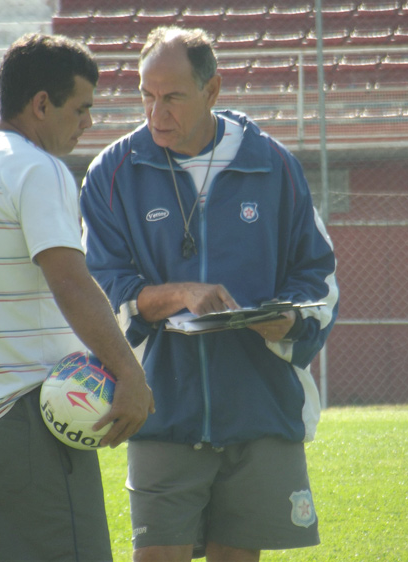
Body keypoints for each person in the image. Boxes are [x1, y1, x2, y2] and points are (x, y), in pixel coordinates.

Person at [80, 26, 339, 562]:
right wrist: (179, 295)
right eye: (147, 97)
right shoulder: (111, 173)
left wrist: (285, 321)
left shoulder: (275, 166)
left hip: (259, 411)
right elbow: (103, 289)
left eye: (172, 97)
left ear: (213, 91)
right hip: (161, 411)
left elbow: (318, 278)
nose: (157, 114)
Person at [0, 33, 154, 562]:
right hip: (31, 427)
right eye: (81, 108)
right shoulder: (37, 168)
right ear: (41, 104)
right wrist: (129, 374)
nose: (88, 122)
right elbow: (69, 280)